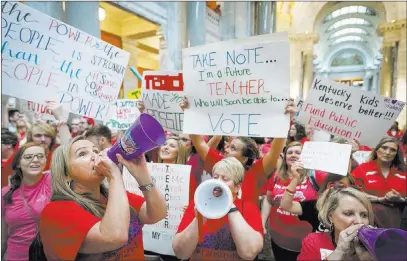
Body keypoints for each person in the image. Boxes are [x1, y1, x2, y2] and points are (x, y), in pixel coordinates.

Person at [38, 136, 167, 260]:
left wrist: (142, 174)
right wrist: (113, 175)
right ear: (66, 174)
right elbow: (115, 236)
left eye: (96, 150)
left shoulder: (114, 196)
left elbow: (157, 214)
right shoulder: (56, 211)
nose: (96, 156)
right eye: (82, 154)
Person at [180, 97, 296, 205]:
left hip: (245, 224)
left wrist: (285, 120)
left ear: (244, 159)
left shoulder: (256, 173)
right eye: (229, 145)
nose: (226, 148)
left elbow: (274, 151)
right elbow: (198, 142)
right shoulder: (219, 164)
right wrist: (189, 114)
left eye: (233, 148)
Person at [172, 157, 264, 260]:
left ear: (237, 187)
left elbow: (249, 253)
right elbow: (181, 253)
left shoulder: (248, 208)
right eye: (215, 177)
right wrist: (198, 220)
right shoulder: (197, 205)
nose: (218, 182)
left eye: (225, 179)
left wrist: (230, 207)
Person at [262, 142, 322, 261]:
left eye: (298, 153)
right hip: (278, 239)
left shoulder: (314, 177)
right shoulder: (276, 176)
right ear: (284, 157)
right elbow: (268, 200)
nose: (293, 155)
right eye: (289, 152)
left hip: (307, 243)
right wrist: (262, 222)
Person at [2, 143, 51, 261]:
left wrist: (63, 129)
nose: (35, 160)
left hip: (47, 256)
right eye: (28, 157)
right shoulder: (5, 193)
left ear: (45, 160)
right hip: (15, 256)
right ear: (18, 163)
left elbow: (68, 160)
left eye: (40, 156)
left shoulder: (52, 181)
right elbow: (2, 236)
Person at [297, 187, 375, 261]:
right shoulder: (314, 242)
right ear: (331, 217)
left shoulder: (375, 246)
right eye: (348, 213)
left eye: (364, 215)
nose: (359, 221)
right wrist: (338, 252)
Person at [280, 159, 356, 233]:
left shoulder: (356, 208)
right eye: (342, 186)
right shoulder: (315, 206)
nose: (347, 191)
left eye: (351, 189)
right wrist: (296, 178)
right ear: (330, 185)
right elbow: (286, 205)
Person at [352, 137, 406, 228]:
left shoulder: (404, 173)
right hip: (369, 222)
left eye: (392, 150)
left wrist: (401, 199)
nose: (388, 152)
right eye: (384, 148)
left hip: (398, 223)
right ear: (377, 150)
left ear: (396, 154)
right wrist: (378, 199)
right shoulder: (362, 169)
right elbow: (353, 193)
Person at [158, 136, 197, 202]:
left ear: (180, 152)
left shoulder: (188, 178)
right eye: (164, 144)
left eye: (172, 146)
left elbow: (192, 202)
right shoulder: (150, 172)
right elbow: (146, 190)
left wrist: (188, 208)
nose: (166, 147)